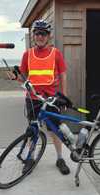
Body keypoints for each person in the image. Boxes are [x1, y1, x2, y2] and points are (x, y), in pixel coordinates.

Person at [7, 19, 70, 175]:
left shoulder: (56, 53)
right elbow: (23, 78)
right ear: (33, 35)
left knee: (55, 130)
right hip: (33, 99)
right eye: (37, 33)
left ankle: (60, 158)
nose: (40, 36)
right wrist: (15, 78)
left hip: (52, 99)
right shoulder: (27, 55)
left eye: (43, 33)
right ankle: (31, 158)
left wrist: (64, 97)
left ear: (48, 36)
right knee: (33, 130)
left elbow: (63, 76)